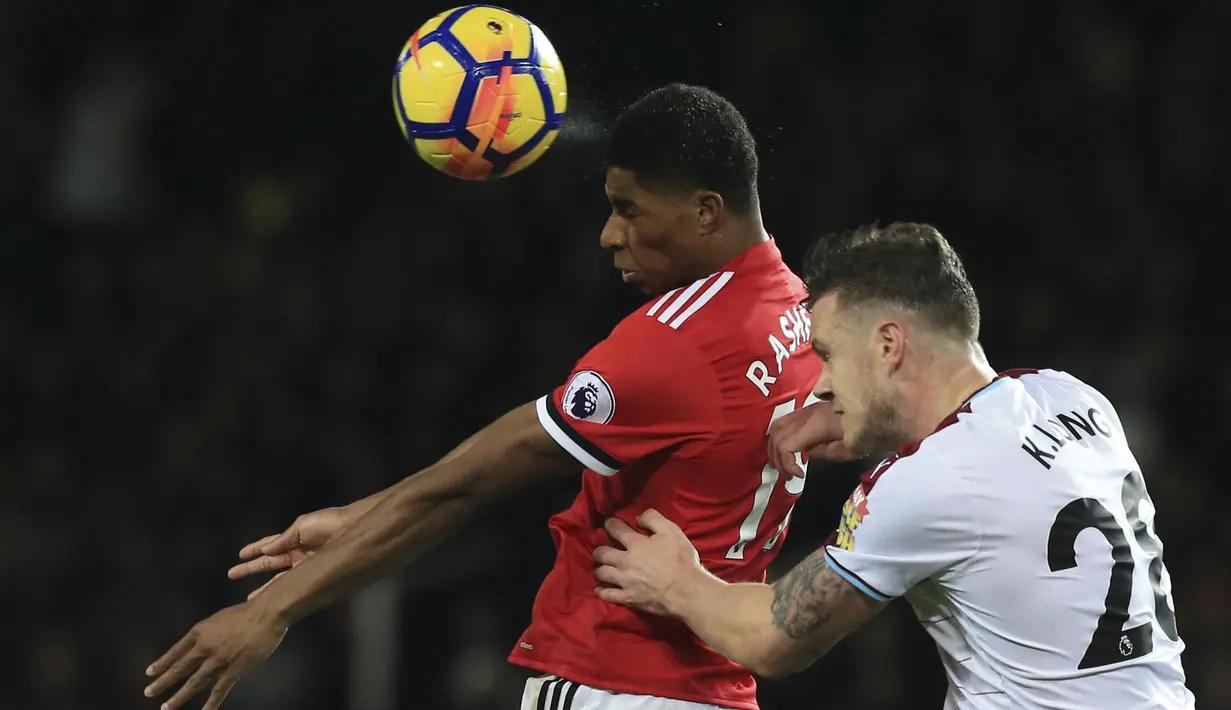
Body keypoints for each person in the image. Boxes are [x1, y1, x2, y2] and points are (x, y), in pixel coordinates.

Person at [142, 83, 828, 710]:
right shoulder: (799, 311)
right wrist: (363, 516)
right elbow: (516, 439)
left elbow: (467, 487)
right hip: (708, 693)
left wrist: (272, 610)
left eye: (627, 210)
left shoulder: (676, 344)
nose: (608, 234)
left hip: (617, 681)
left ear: (705, 211)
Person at [593, 222, 1197, 709]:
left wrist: (678, 583)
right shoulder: (1073, 396)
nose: (823, 382)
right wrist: (870, 424)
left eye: (828, 355)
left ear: (888, 345)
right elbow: (986, 468)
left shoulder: (923, 484)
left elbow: (774, 640)